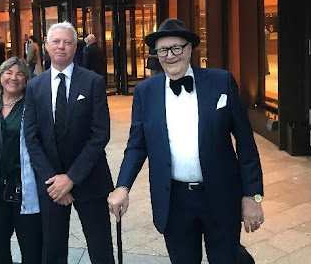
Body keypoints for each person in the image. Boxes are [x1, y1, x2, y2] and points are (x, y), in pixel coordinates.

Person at [108, 19, 264, 264]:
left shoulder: (221, 81)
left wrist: (253, 196)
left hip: (220, 196)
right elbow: (137, 145)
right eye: (162, 50)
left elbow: (245, 142)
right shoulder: (145, 92)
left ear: (190, 49)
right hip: (174, 201)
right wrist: (122, 186)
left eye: (176, 48)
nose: (170, 56)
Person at [24, 21, 114, 264]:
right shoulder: (34, 86)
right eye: (56, 41)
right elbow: (31, 137)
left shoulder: (93, 81)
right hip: (51, 185)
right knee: (52, 251)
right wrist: (56, 180)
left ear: (76, 47)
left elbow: (100, 134)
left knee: (101, 250)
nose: (61, 46)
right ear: (46, 46)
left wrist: (71, 178)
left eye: (68, 42)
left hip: (90, 180)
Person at [0, 57, 42, 264]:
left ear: (26, 79)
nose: (14, 78)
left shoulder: (32, 106)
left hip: (23, 191)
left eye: (20, 74)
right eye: (9, 72)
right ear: (0, 76)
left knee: (33, 250)